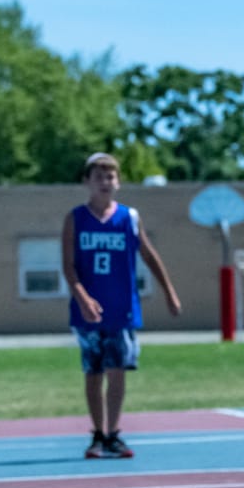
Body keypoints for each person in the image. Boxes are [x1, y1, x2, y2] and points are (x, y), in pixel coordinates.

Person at [62, 152, 181, 458]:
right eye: (99, 176)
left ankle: (114, 434)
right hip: (88, 311)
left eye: (111, 176)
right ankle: (97, 434)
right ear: (87, 181)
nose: (105, 182)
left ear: (118, 181)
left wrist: (169, 291)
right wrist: (84, 298)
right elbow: (69, 267)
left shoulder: (129, 218)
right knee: (94, 372)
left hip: (121, 308)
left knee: (118, 371)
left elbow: (149, 255)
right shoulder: (75, 219)